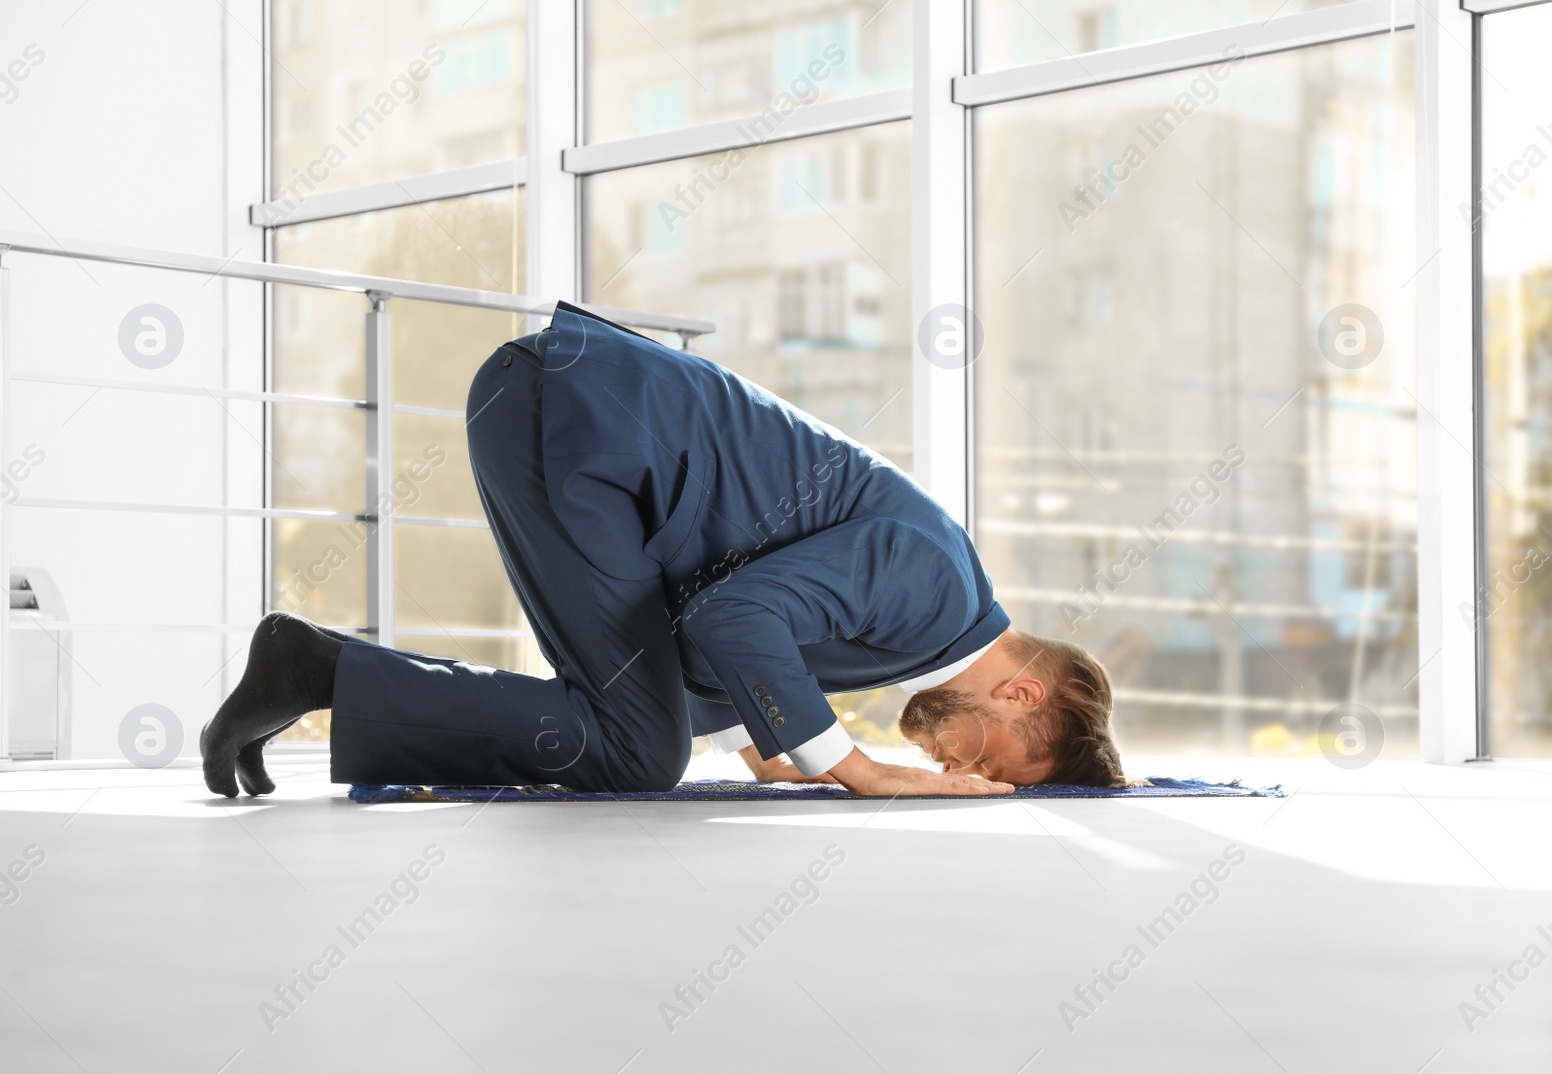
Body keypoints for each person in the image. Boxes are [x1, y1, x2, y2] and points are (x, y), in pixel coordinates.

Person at [201, 303, 1129, 798]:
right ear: (1019, 693)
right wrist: (850, 766)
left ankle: (318, 670)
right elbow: (734, 613)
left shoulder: (930, 619)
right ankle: (313, 669)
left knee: (655, 735)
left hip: (580, 424)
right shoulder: (935, 590)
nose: (960, 775)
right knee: (640, 752)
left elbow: (706, 623)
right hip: (581, 421)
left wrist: (744, 735)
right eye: (993, 762)